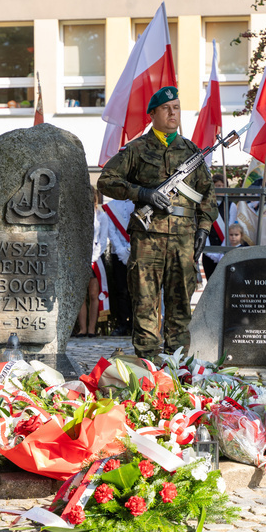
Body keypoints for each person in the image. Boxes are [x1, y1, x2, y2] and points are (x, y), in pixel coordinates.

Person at [97, 86, 217, 359]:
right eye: (166, 108)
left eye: (176, 107)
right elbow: (106, 181)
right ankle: (148, 365)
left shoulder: (191, 152)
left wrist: (204, 229)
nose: (173, 112)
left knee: (180, 304)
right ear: (153, 114)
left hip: (184, 239)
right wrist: (143, 193)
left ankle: (178, 364)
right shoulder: (137, 149)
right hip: (148, 237)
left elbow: (207, 195)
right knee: (145, 303)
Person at [76, 187, 110, 337]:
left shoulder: (101, 216)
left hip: (95, 258)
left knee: (93, 294)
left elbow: (103, 240)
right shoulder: (78, 217)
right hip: (79, 258)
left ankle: (91, 328)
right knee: (80, 295)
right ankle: (82, 329)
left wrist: (93, 257)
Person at [103, 197, 135, 336]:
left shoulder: (137, 202)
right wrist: (122, 251)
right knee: (121, 290)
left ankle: (135, 324)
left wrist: (131, 248)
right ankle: (122, 324)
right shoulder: (111, 206)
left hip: (137, 251)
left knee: (137, 290)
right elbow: (111, 231)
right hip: (118, 253)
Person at [202, 174, 227, 280]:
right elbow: (204, 227)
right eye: (217, 185)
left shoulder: (231, 205)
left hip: (225, 253)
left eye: (222, 185)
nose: (220, 188)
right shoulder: (206, 206)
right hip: (209, 253)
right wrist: (210, 253)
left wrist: (222, 254)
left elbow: (230, 230)